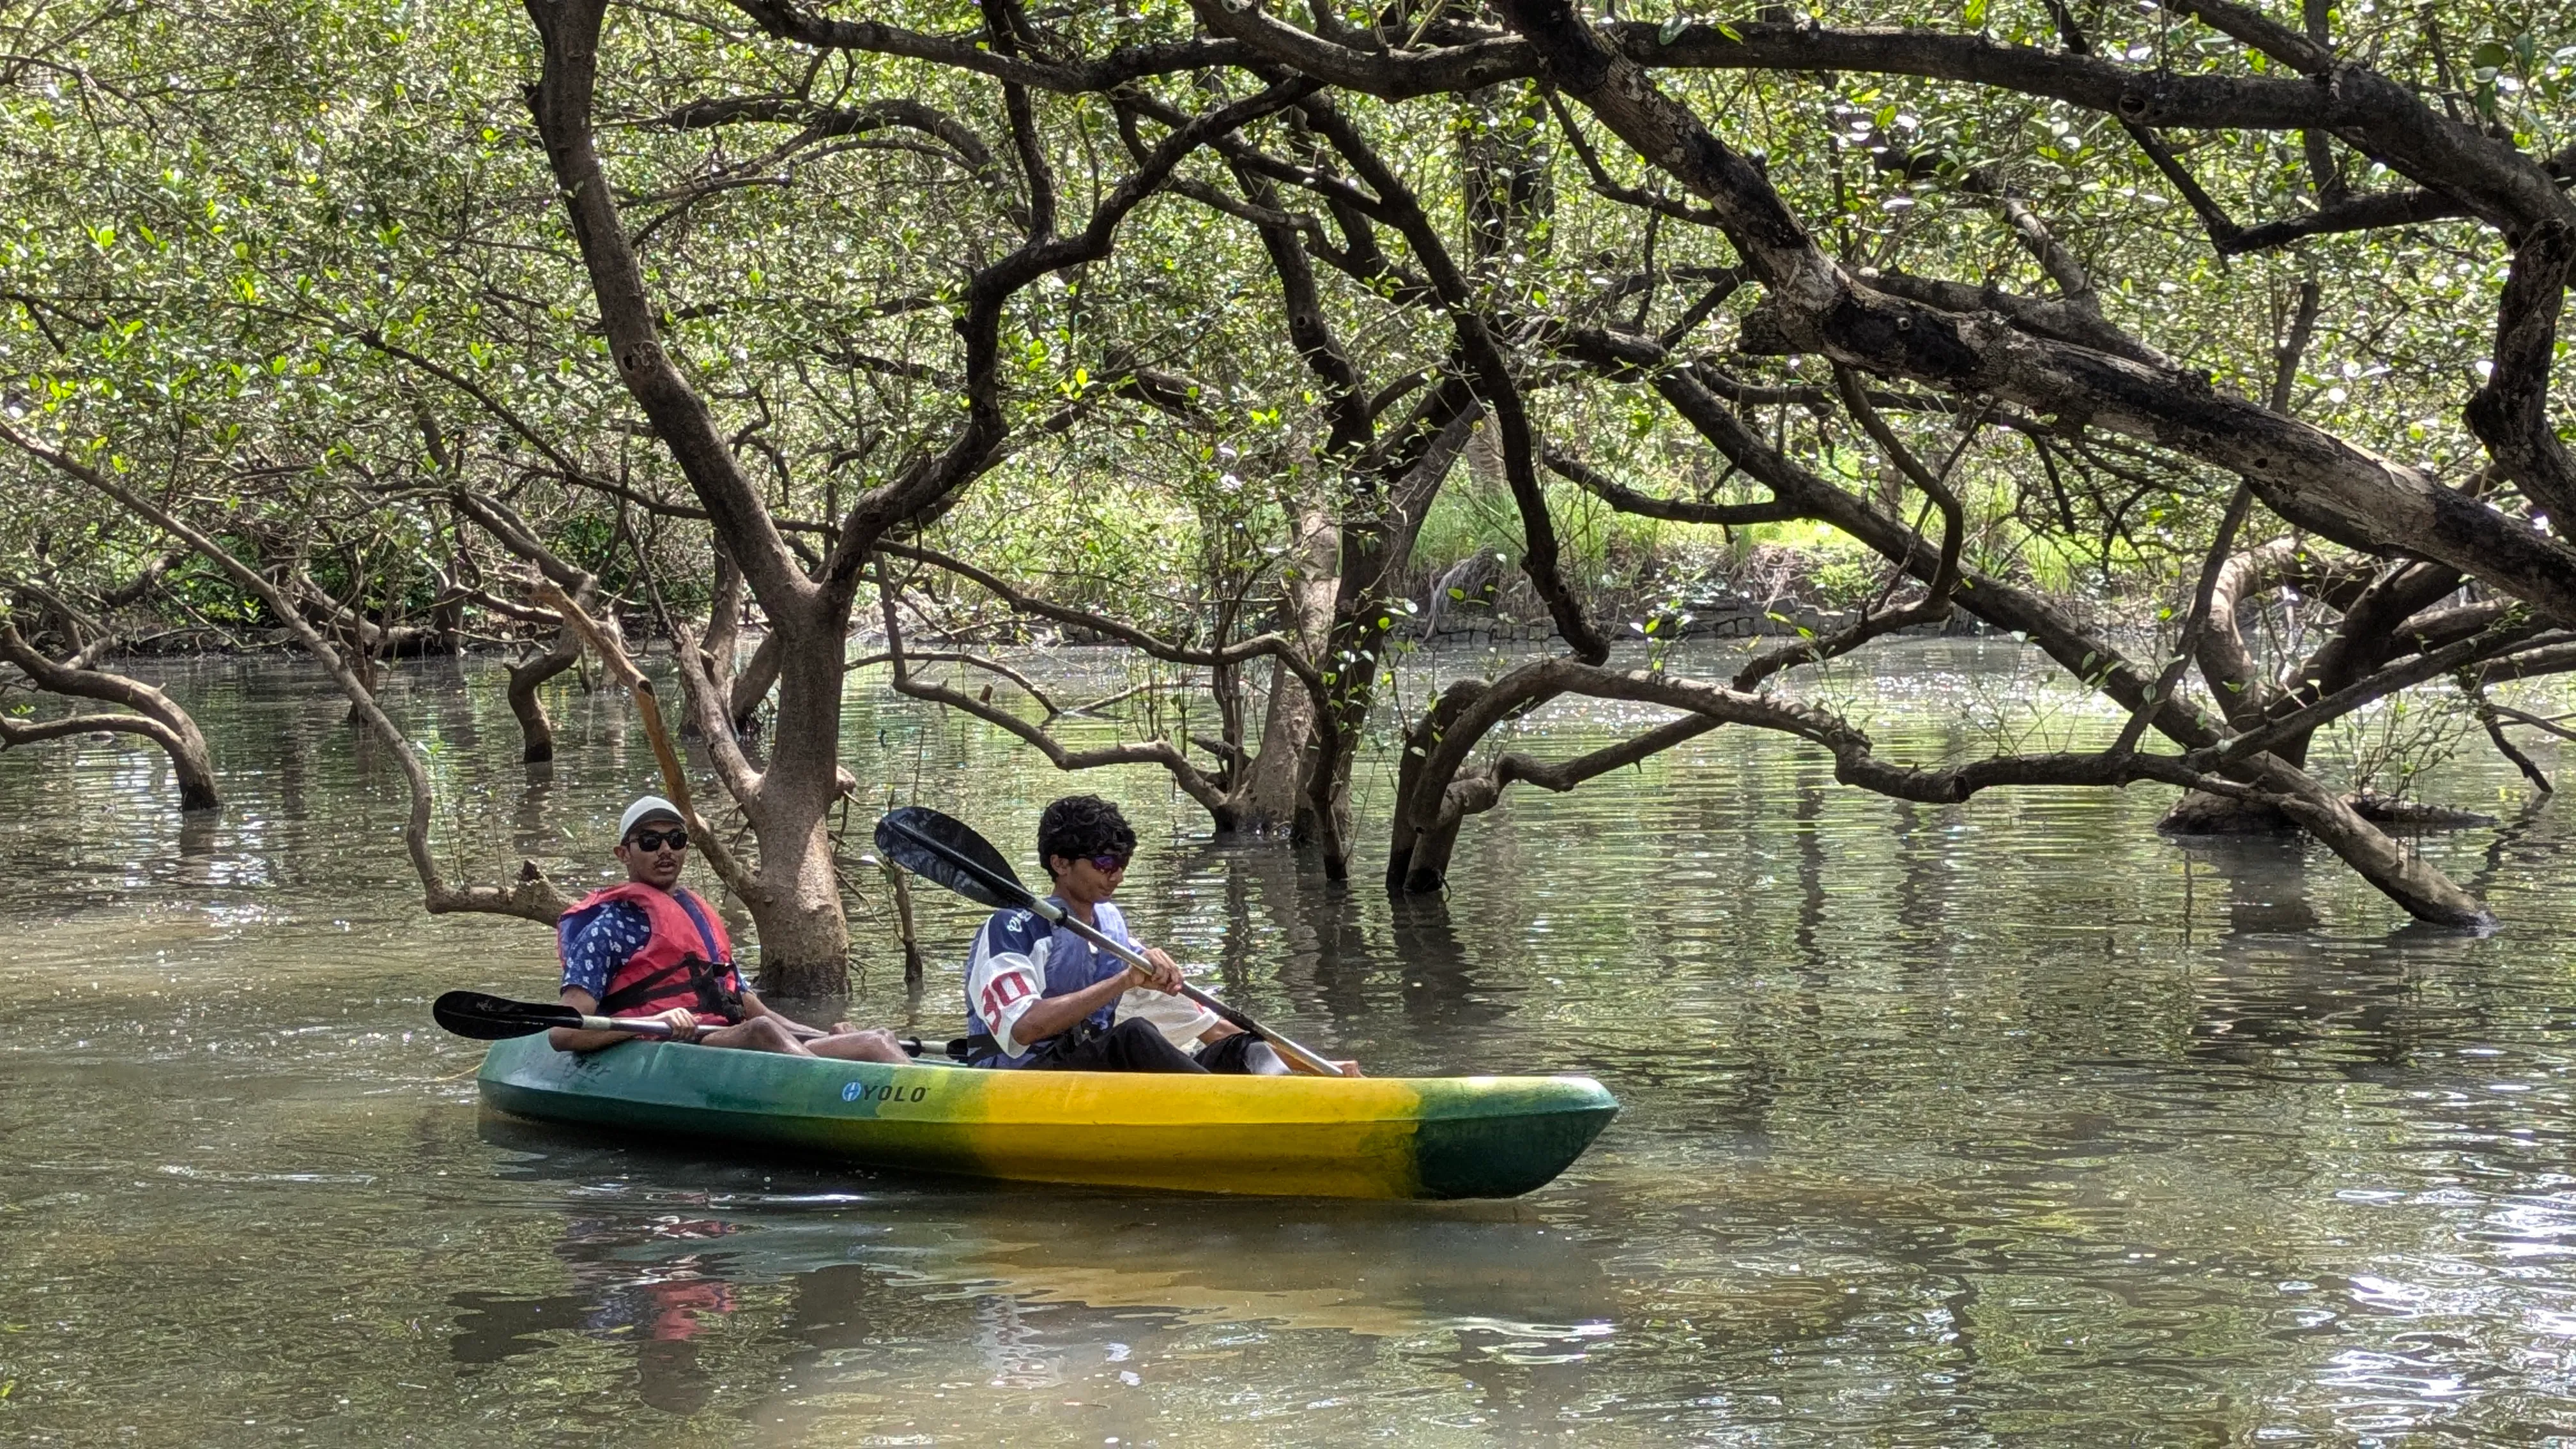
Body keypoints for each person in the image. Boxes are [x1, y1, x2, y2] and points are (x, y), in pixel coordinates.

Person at [958, 794, 1356, 1075]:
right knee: (1133, 1034)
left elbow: (1209, 1024)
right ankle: (1235, 1110)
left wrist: (1313, 1066)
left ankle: (1286, 1094)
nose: (1117, 875)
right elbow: (1024, 1026)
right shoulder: (1012, 929)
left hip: (1087, 1073)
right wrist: (1123, 981)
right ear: (1060, 863)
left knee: (1239, 1047)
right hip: (1022, 1079)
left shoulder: (1111, 933)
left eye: (1123, 863)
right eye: (1104, 863)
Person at [550, 795, 908, 1062]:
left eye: (675, 840)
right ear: (624, 854)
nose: (665, 851)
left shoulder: (701, 920)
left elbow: (754, 1009)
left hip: (727, 1038)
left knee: (876, 1040)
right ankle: (839, 1091)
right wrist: (651, 1021)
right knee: (762, 1033)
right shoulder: (606, 929)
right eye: (649, 842)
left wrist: (822, 1033)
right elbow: (563, 1033)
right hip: (667, 1048)